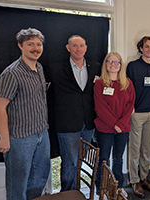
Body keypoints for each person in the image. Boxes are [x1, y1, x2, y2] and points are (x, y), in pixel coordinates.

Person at [0, 28, 50, 200]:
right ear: (20, 46)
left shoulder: (39, 67)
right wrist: (4, 138)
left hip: (42, 133)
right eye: (30, 44)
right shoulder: (11, 74)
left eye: (38, 44)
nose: (35, 48)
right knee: (17, 185)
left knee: (39, 179)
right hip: (20, 138)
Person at [46, 35, 101, 191]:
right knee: (70, 162)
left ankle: (77, 191)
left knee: (81, 161)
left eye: (81, 45)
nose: (78, 49)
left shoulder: (96, 67)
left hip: (89, 123)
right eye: (74, 46)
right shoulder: (55, 68)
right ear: (68, 48)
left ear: (86, 48)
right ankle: (68, 194)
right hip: (67, 123)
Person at [94, 52, 135, 191]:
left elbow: (131, 106)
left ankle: (118, 187)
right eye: (110, 62)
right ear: (105, 64)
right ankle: (101, 187)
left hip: (123, 129)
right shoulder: (99, 83)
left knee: (118, 159)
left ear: (120, 65)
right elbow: (100, 108)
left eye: (116, 62)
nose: (113, 65)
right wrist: (115, 124)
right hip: (105, 129)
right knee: (103, 160)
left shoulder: (127, 83)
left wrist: (121, 124)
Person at [126, 36, 150, 198]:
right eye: (146, 46)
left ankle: (144, 177)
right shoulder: (133, 66)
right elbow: (127, 88)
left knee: (146, 148)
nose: (149, 49)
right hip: (137, 114)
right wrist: (131, 109)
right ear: (141, 48)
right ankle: (134, 181)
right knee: (135, 149)